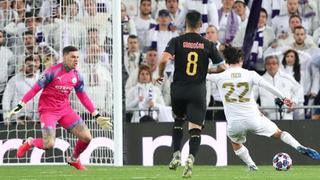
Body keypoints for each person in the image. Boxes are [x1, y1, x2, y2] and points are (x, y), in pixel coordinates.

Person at [207, 45, 320, 170]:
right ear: (241, 60)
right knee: (279, 133)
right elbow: (268, 86)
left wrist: (208, 69)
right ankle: (298, 146)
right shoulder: (250, 74)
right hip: (254, 118)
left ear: (227, 61)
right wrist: (284, 98)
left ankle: (252, 166)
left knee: (236, 143)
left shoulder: (219, 77)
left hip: (234, 122)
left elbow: (200, 76)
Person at [6, 46, 112, 170]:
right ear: (64, 57)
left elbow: (83, 96)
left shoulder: (77, 75)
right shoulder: (52, 71)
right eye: (73, 57)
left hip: (65, 110)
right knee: (49, 144)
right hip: (48, 110)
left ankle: (73, 159)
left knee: (87, 137)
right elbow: (35, 89)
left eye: (77, 57)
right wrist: (20, 105)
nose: (76, 60)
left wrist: (96, 115)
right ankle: (30, 142)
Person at [158, 10, 224, 178]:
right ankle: (191, 159)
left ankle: (176, 154)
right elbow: (222, 67)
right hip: (197, 91)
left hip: (178, 90)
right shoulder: (208, 44)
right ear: (201, 25)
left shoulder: (176, 41)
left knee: (179, 121)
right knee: (195, 129)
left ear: (185, 23)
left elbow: (164, 59)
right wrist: (208, 70)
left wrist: (160, 74)